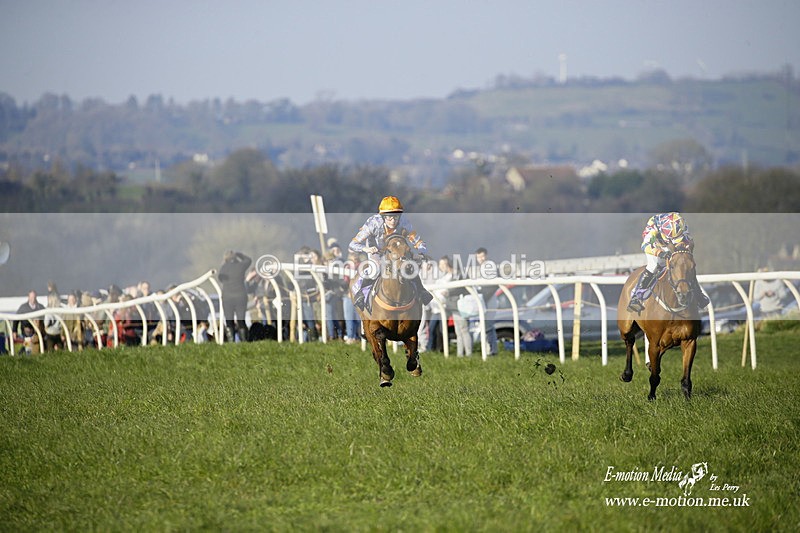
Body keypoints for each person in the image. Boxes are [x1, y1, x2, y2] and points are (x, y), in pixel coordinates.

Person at [348, 195, 433, 311]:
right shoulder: (373, 223)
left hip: (396, 252)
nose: (393, 221)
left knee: (409, 265)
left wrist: (421, 253)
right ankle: (359, 293)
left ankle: (422, 290)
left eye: (396, 217)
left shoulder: (404, 222)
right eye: (389, 218)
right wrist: (366, 249)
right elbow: (352, 244)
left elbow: (418, 241)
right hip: (376, 249)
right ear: (383, 217)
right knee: (375, 269)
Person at [628, 212, 709, 313]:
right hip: (656, 245)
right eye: (674, 238)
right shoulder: (652, 229)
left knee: (685, 265)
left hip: (670, 244)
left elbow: (688, 241)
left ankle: (698, 294)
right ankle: (636, 297)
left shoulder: (679, 223)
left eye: (677, 237)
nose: (676, 239)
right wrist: (660, 253)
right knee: (653, 265)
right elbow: (646, 246)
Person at [218, 250, 252, 342]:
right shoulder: (240, 266)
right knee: (241, 320)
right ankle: (244, 340)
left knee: (229, 321)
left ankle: (231, 341)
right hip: (240, 296)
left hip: (227, 297)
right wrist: (240, 254)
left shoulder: (224, 267)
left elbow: (220, 278)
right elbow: (248, 260)